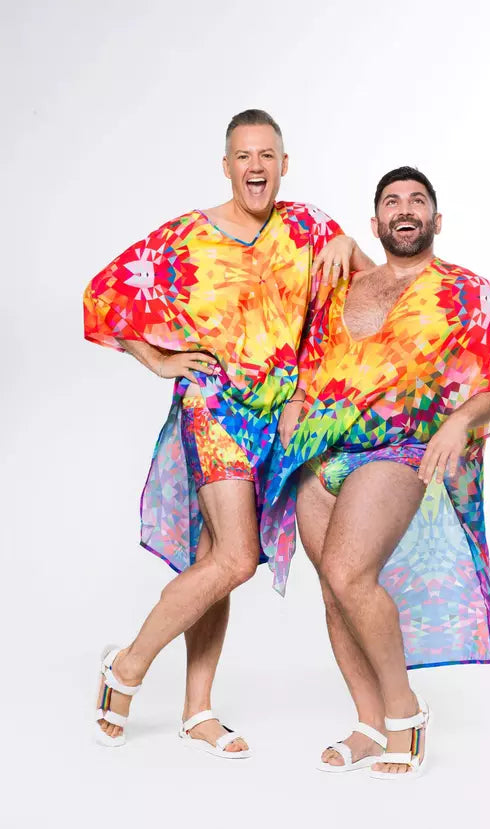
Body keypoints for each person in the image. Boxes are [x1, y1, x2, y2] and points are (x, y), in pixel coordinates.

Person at [84, 109, 373, 754]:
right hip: (215, 409)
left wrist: (348, 245)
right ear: (226, 166)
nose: (256, 167)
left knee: (216, 557)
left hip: (279, 416)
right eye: (244, 156)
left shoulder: (309, 227)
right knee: (238, 558)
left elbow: (374, 292)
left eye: (267, 155)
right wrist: (158, 360)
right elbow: (104, 293)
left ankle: (197, 711)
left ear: (284, 165)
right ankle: (126, 668)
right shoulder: (189, 236)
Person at [264, 166, 490, 777]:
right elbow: (311, 361)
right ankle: (367, 724)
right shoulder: (346, 286)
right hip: (318, 451)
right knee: (334, 591)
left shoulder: (468, 293)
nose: (404, 209)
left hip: (400, 447)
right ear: (376, 221)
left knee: (349, 572)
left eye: (416, 201)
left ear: (436, 220)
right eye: (392, 201)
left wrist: (459, 423)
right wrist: (297, 404)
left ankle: (404, 712)